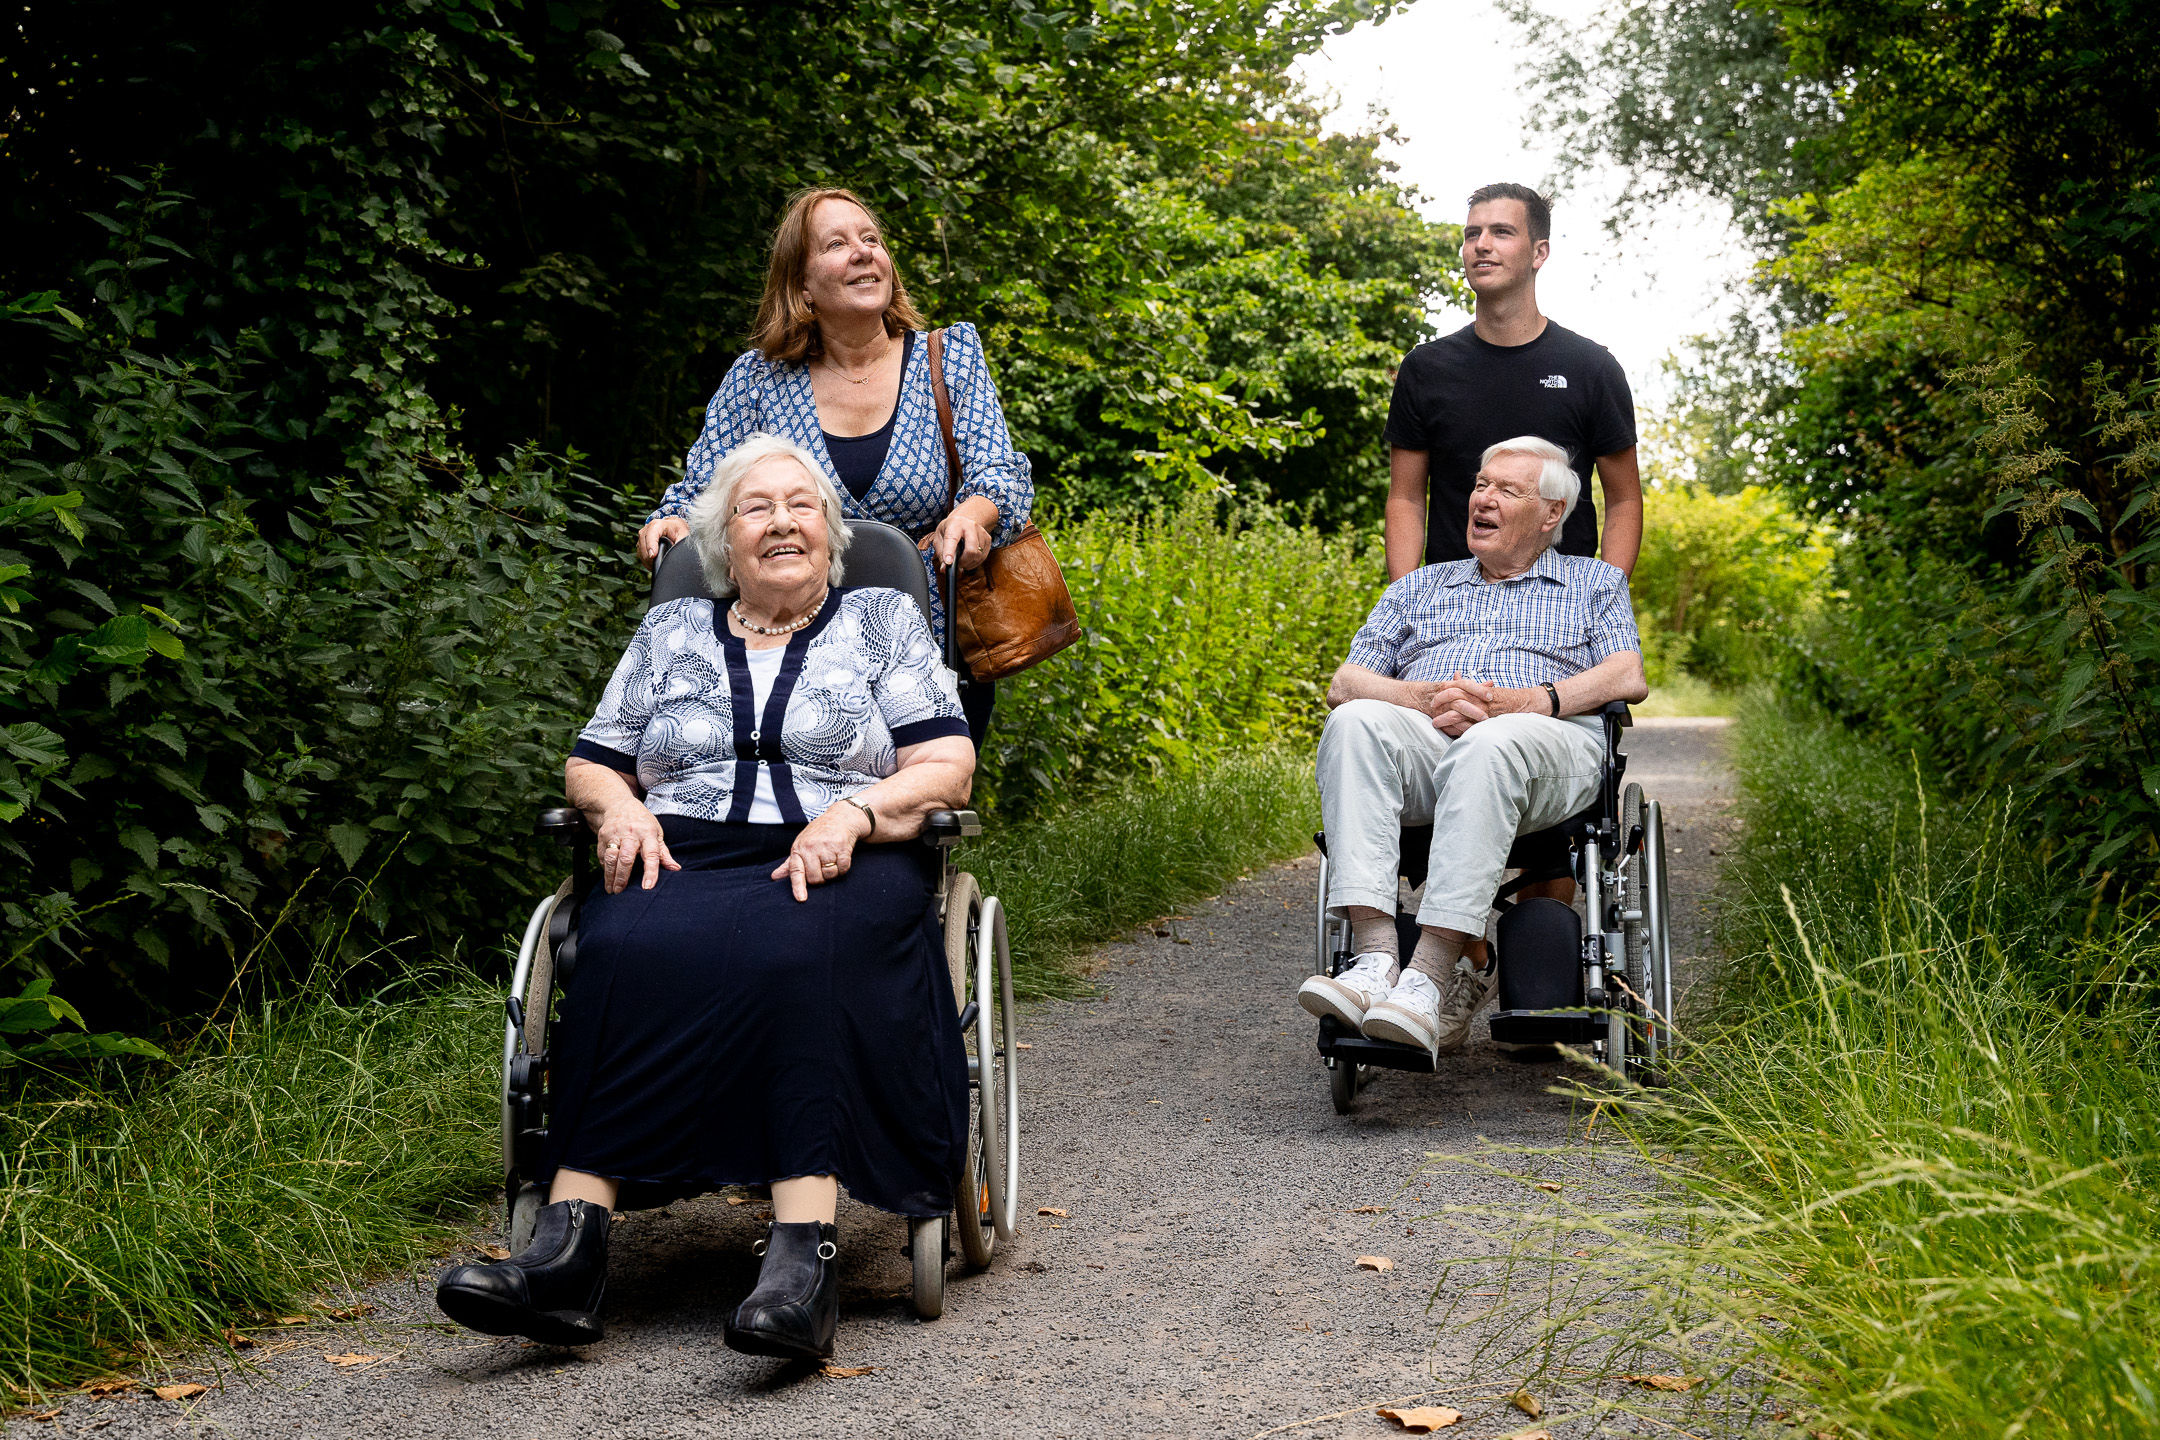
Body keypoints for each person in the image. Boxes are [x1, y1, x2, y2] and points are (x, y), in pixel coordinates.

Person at [436, 434, 977, 1361]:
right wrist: (617, 809)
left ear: (831, 531)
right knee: (618, 946)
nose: (781, 524)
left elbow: (947, 764)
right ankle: (569, 1250)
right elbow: (593, 760)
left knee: (796, 951)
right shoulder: (672, 631)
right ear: (723, 545)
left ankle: (801, 1258)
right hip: (684, 845)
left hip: (842, 847)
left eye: (800, 506)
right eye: (756, 510)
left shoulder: (881, 618)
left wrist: (855, 813)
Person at [634, 186, 1034, 740]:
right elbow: (700, 491)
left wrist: (975, 512)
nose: (864, 252)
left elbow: (999, 471)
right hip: (786, 639)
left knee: (911, 808)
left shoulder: (950, 356)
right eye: (838, 244)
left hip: (928, 640)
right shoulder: (757, 380)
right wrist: (673, 520)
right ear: (801, 284)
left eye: (871, 239)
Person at [1297, 437, 1647, 1058]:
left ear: (1551, 514)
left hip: (1546, 746)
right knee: (1353, 723)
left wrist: (1527, 701)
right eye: (1480, 485)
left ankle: (1428, 977)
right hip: (1432, 736)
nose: (1481, 498)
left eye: (1505, 490)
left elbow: (1626, 676)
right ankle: (1376, 961)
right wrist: (1423, 697)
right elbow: (1345, 683)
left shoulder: (1594, 583)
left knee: (1493, 741)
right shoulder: (1421, 587)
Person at [1383, 183, 1641, 583]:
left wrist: (1604, 598)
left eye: (1502, 232)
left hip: (1562, 606)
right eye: (1473, 234)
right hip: (1450, 608)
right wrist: (1405, 601)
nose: (1482, 245)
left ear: (1540, 252)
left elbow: (1624, 500)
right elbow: (1406, 498)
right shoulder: (1425, 369)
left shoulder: (1593, 368)